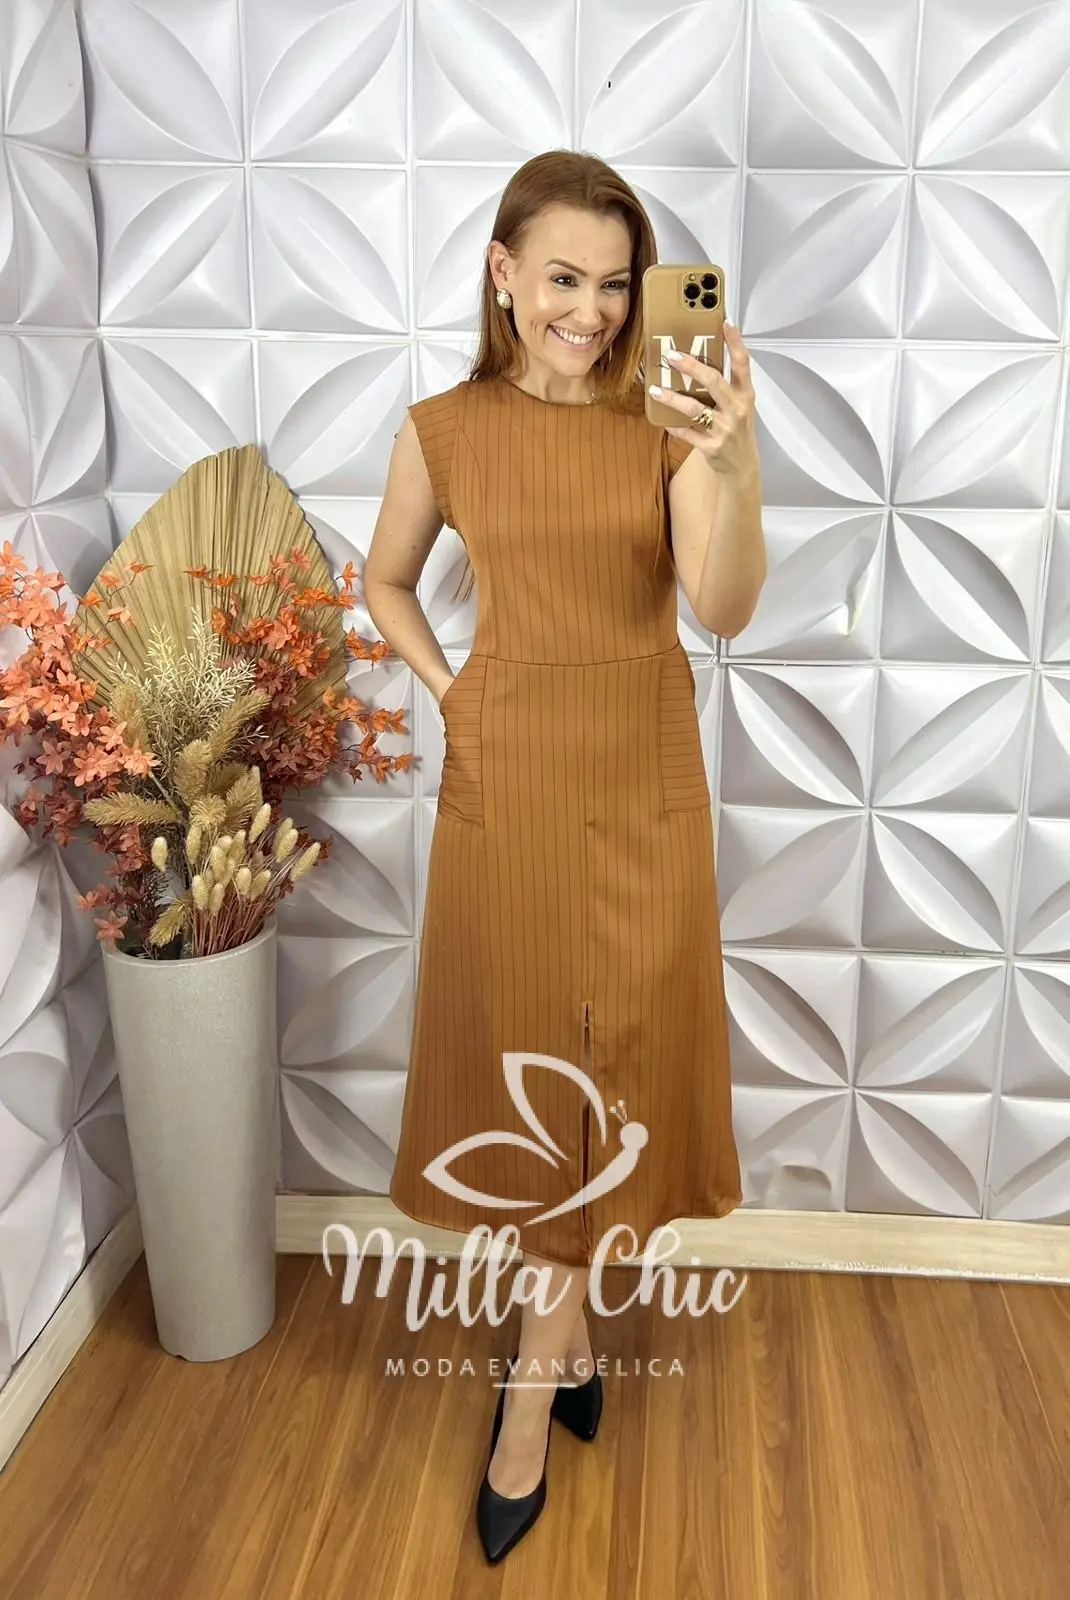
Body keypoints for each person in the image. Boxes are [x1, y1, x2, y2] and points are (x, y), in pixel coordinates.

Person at [364, 148, 765, 1564]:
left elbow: (721, 605)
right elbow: (384, 579)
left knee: (623, 1068)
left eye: (615, 284)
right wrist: (451, 690)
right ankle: (560, 1361)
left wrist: (733, 457)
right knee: (537, 1066)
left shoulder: (669, 417)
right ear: (502, 272)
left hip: (645, 774)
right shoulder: (443, 429)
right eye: (561, 279)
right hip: (511, 776)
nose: (589, 312)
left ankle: (535, 1390)